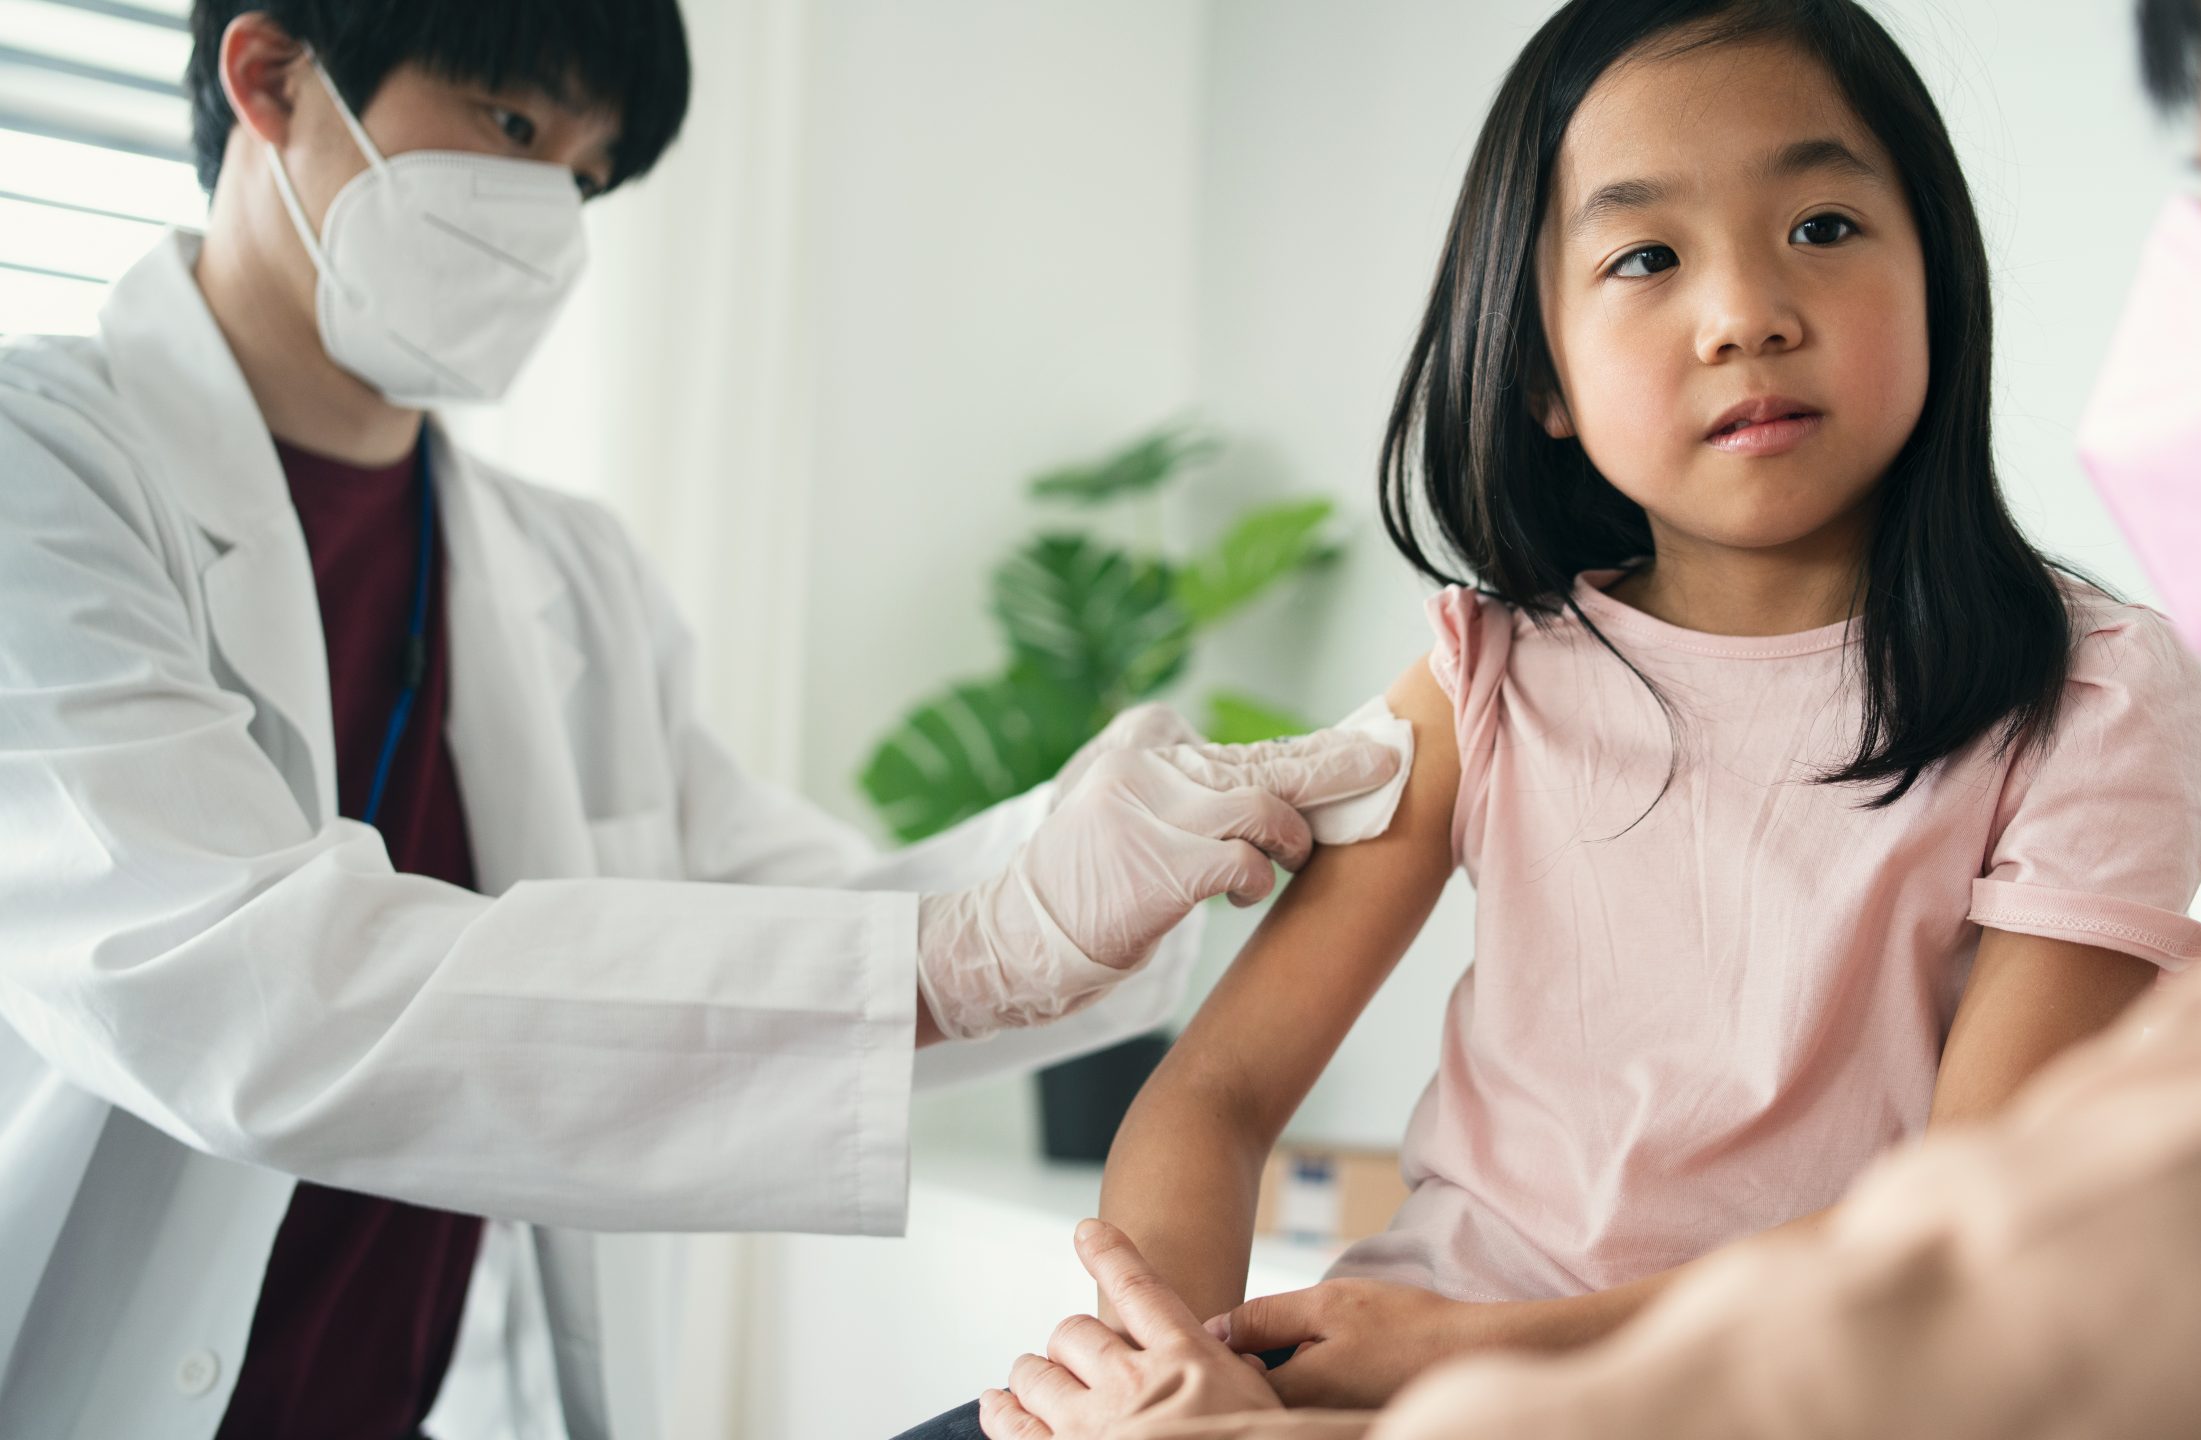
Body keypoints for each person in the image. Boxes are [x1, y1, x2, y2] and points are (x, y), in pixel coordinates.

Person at [984, 0, 2201, 1434]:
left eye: (1821, 225)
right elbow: (1220, 1093)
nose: (1744, 309)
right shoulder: (1492, 671)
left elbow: (1960, 1232)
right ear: (1541, 370)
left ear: (1937, 274)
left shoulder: (2092, 695)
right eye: (1645, 257)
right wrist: (1163, 1363)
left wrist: (1468, 1354)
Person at [0, 4, 1398, 1437]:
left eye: (591, 175)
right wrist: (970, 949)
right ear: (272, 75)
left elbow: (787, 915)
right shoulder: (36, 471)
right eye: (514, 126)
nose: (550, 213)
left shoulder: (567, 573)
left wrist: (1074, 870)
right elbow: (258, 989)